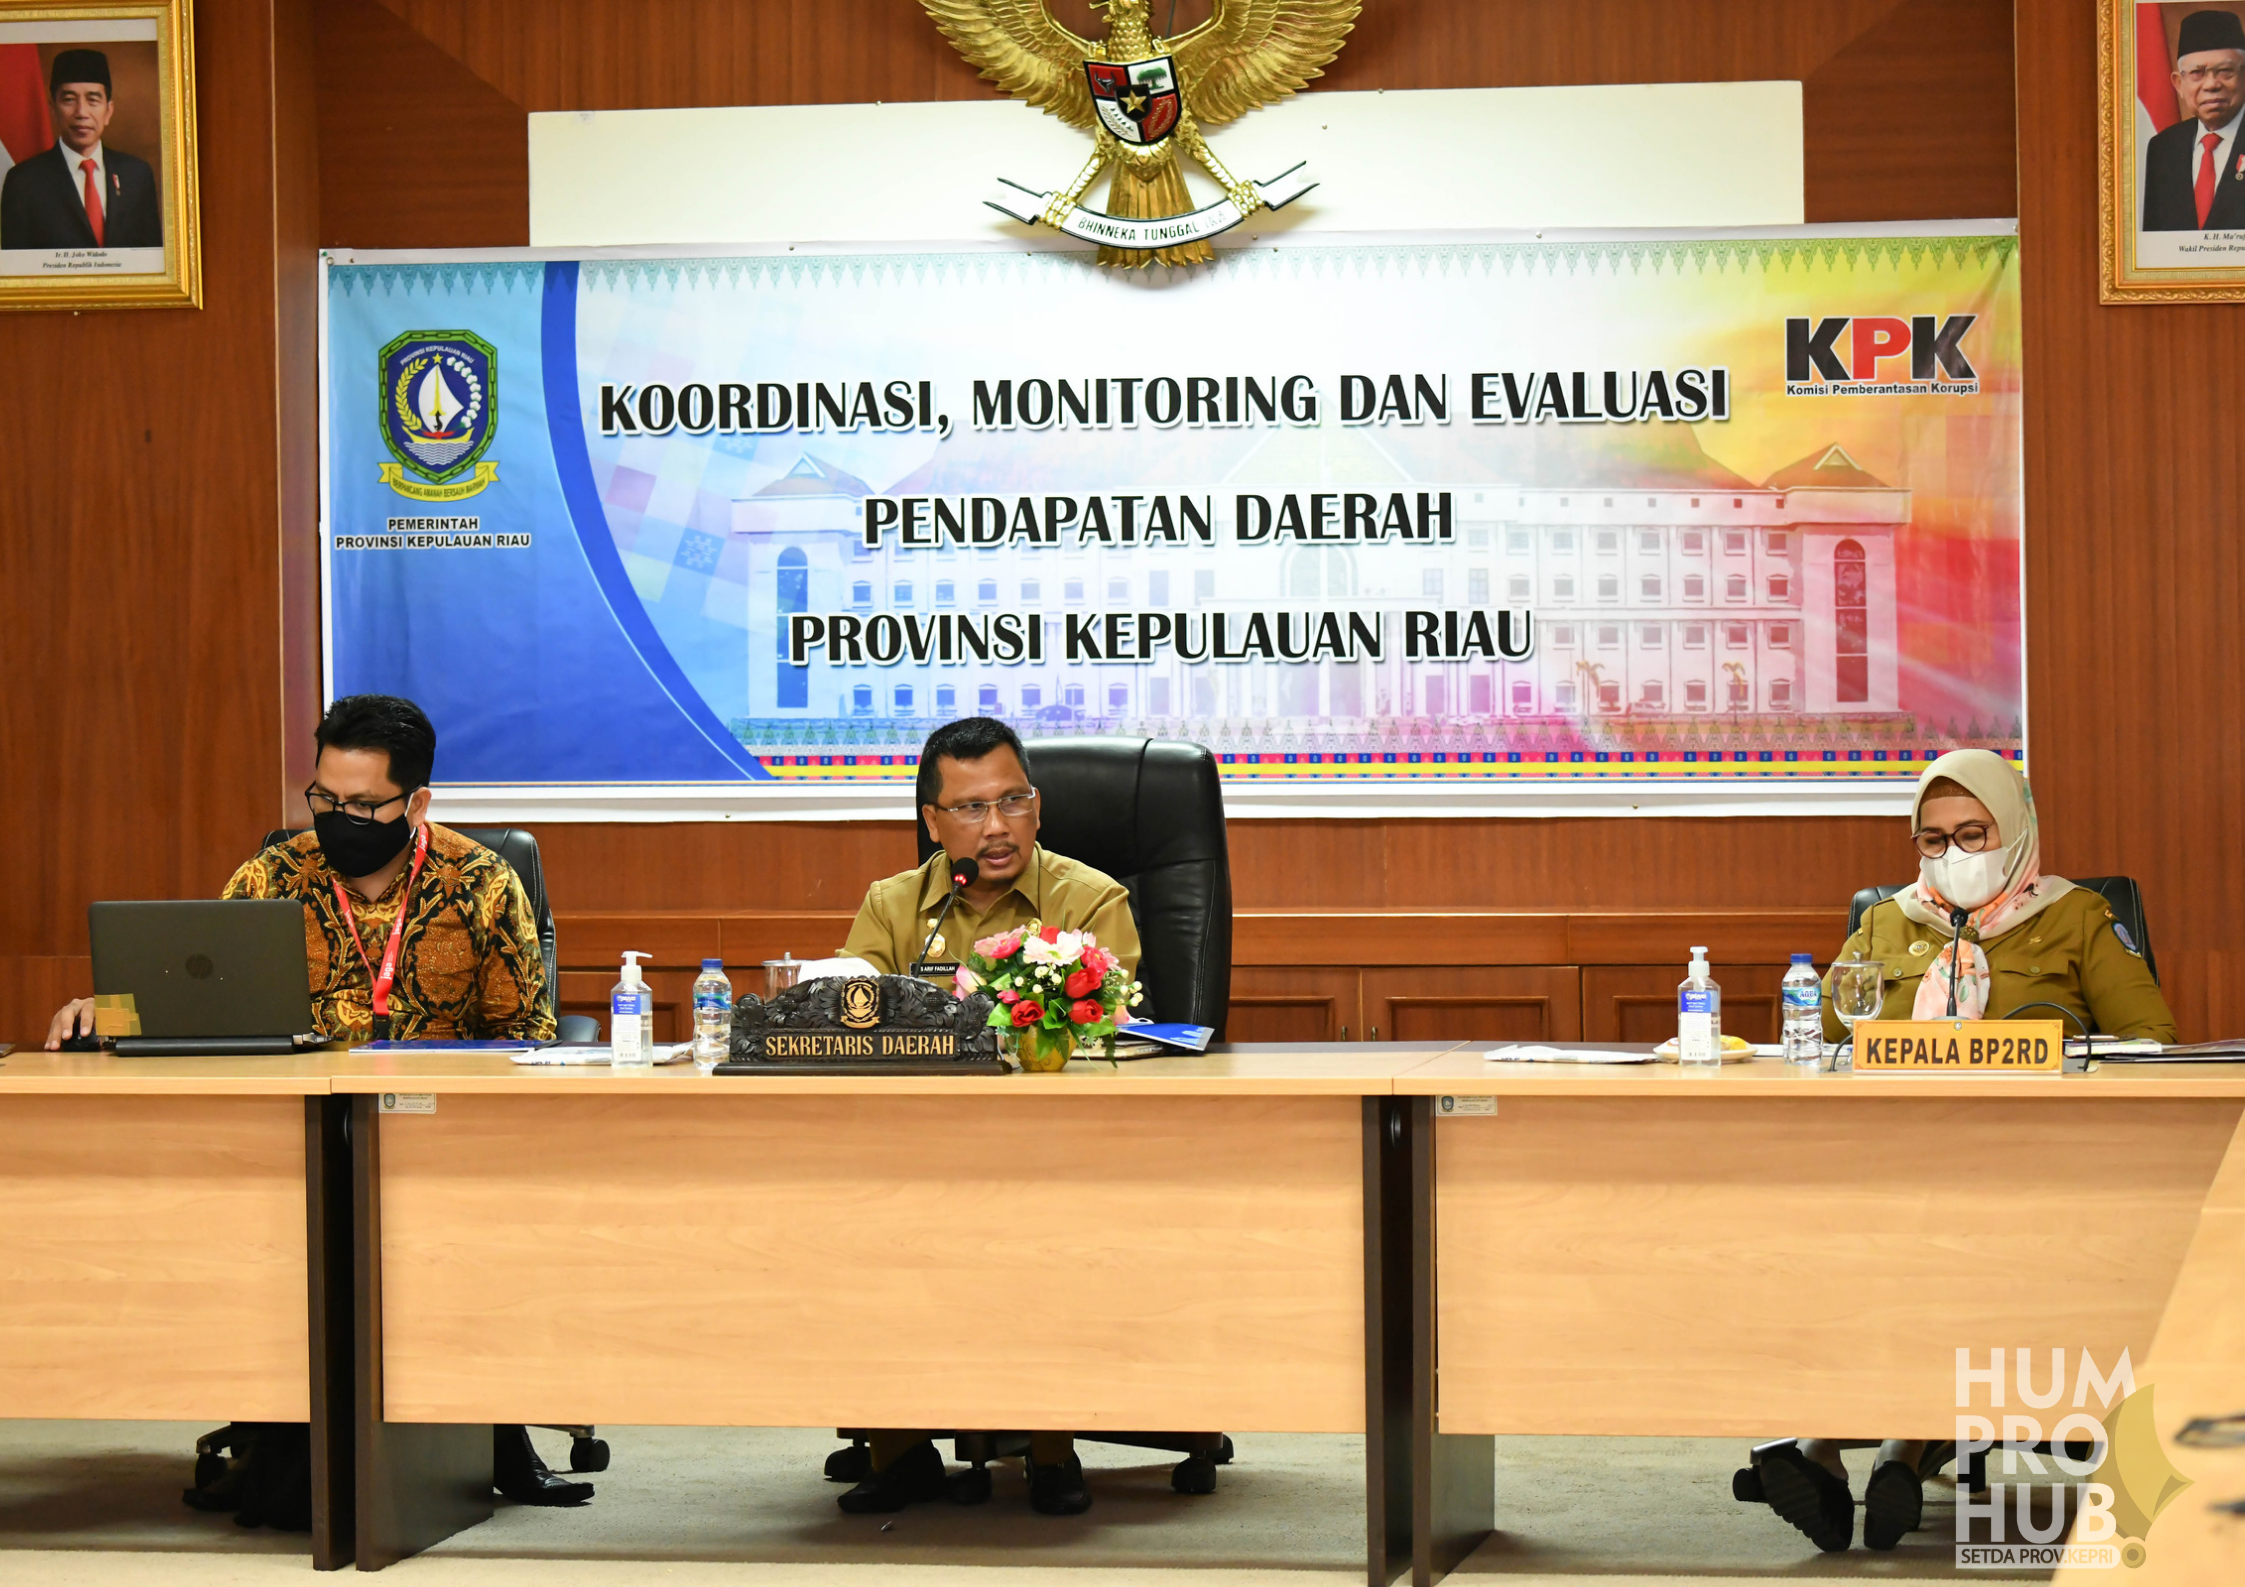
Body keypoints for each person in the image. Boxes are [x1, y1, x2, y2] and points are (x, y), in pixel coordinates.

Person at [45, 694, 588, 1513]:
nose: (339, 819)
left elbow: (527, 1037)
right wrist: (104, 1011)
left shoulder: (482, 881)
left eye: (364, 805)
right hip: (291, 1131)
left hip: (437, 1132)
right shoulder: (273, 875)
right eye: (325, 798)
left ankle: (490, 1431)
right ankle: (276, 1438)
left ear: (417, 802)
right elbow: (195, 1002)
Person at [1746, 749, 2175, 1554]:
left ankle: (1867, 1444)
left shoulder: (2077, 916)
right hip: (1889, 1155)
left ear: (2013, 828)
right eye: (1933, 839)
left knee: (1941, 1244)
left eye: (1973, 834)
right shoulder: (1886, 921)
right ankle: (1864, 1450)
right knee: (1853, 1235)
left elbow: (2150, 1042)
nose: (1953, 854)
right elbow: (1814, 1040)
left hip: (2036, 1164)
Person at [827, 716, 1142, 1519]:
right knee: (857, 1226)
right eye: (970, 808)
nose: (996, 826)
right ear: (932, 821)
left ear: (1038, 805)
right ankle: (898, 1452)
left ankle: (1051, 1448)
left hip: (1055, 1152)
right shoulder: (894, 905)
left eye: (1013, 800)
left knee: (1047, 1238)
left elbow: (1109, 1034)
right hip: (914, 1151)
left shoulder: (1089, 899)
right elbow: (849, 1018)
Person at [0, 49, 163, 251]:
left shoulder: (137, 175)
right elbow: (16, 264)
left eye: (93, 100)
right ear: (53, 109)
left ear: (108, 111)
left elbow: (151, 258)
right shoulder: (23, 182)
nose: (81, 112)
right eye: (69, 99)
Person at [2142, 10, 2245, 231]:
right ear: (2179, 84)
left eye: (2225, 71)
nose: (2211, 84)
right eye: (2197, 73)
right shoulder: (2162, 148)